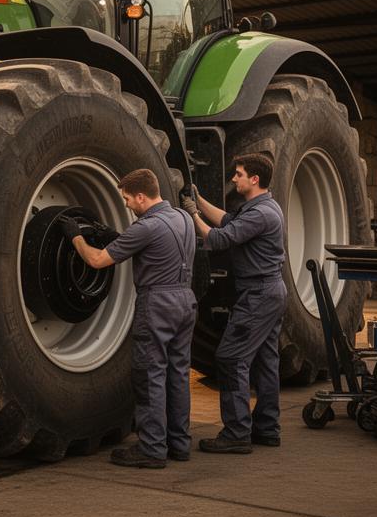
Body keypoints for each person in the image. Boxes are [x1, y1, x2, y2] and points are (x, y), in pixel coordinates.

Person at [62, 168, 198, 469]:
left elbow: (97, 260)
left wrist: (75, 238)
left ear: (141, 196)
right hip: (185, 302)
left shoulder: (145, 227)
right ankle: (179, 444)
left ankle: (151, 449)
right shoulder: (183, 218)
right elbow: (156, 245)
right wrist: (113, 237)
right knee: (178, 374)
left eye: (126, 199)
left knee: (149, 377)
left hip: (158, 304)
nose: (126, 205)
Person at [188, 153, 286, 453]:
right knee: (266, 361)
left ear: (254, 179)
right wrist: (199, 200)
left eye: (239, 174)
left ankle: (236, 433)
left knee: (231, 358)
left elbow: (220, 238)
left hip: (257, 295)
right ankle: (267, 428)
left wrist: (191, 215)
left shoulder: (260, 215)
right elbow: (228, 220)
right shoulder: (262, 207)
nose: (234, 178)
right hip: (269, 292)